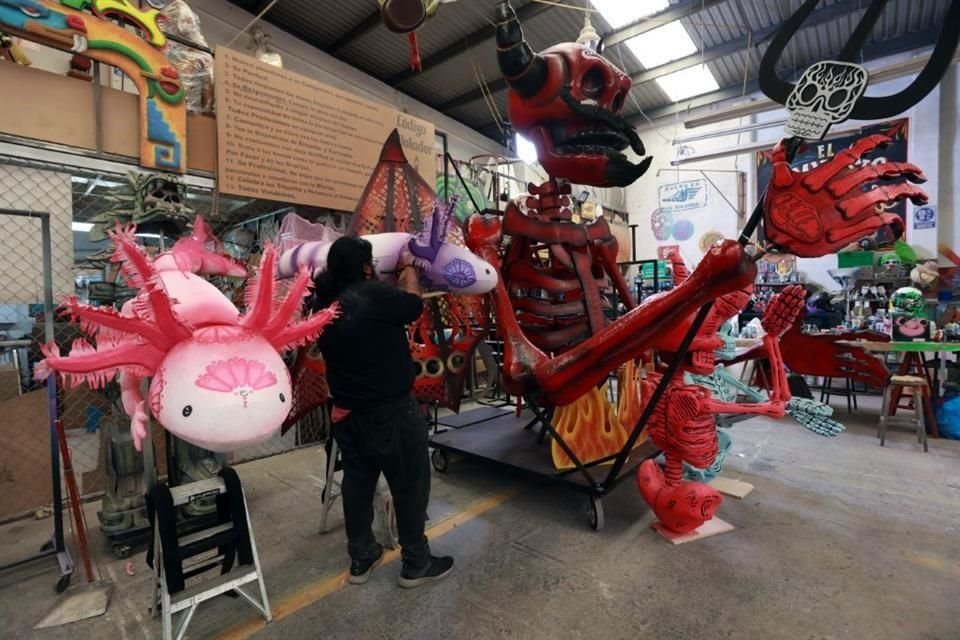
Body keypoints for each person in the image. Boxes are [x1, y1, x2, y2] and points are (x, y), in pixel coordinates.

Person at [307, 236, 453, 588]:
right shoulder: (373, 295)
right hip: (390, 410)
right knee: (410, 483)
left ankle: (361, 557)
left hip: (346, 412)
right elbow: (413, 306)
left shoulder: (320, 304)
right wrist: (406, 269)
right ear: (366, 266)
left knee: (357, 483)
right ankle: (416, 562)